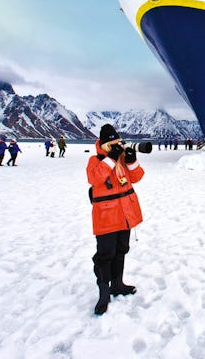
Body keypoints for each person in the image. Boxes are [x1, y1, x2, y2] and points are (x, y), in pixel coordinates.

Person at [86, 124, 145, 315]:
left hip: (125, 215)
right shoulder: (95, 160)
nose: (116, 147)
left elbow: (137, 177)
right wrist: (111, 158)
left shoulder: (120, 160)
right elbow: (95, 178)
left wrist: (131, 159)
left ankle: (117, 284)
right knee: (105, 255)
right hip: (106, 217)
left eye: (117, 143)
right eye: (112, 144)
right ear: (104, 145)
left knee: (121, 250)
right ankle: (104, 293)